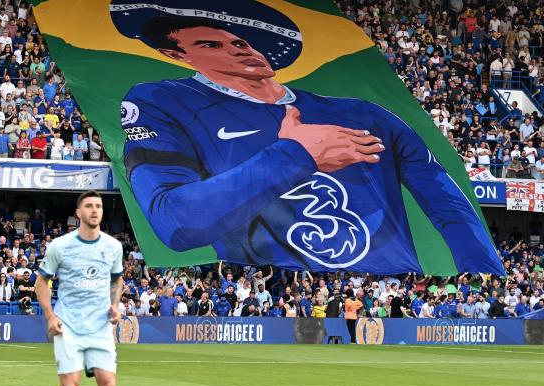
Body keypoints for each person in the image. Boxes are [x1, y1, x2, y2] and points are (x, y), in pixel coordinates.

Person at [119, 14, 502, 274]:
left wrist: (483, 277)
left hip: (391, 284)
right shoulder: (161, 102)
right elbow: (175, 223)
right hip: (276, 291)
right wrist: (297, 155)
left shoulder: (362, 113)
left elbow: (449, 204)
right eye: (211, 45)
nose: (238, 49)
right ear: (177, 55)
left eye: (239, 41)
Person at [34, 191, 123, 386]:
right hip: (69, 324)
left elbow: (117, 279)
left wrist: (114, 305)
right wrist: (50, 315)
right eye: (89, 206)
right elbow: (41, 282)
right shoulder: (60, 246)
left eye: (98, 206)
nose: (94, 210)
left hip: (99, 326)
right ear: (79, 212)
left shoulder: (113, 246)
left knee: (108, 385)